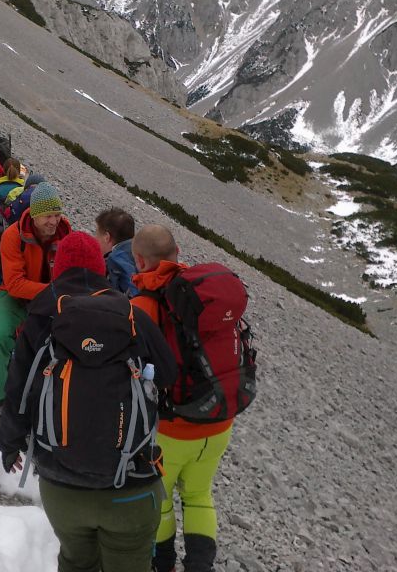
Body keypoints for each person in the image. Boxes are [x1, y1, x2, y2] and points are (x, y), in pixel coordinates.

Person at [0, 232, 177, 572]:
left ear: (58, 268)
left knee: (76, 560)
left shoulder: (42, 316)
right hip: (130, 486)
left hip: (61, 486)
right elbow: (168, 374)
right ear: (101, 269)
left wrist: (9, 443)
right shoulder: (131, 315)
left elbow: (18, 388)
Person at [130, 225, 234, 572]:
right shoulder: (203, 294)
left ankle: (164, 565)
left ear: (140, 260)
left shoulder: (145, 304)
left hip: (172, 429)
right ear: (177, 252)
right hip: (219, 420)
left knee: (159, 500)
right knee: (199, 495)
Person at [0, 181, 71, 439]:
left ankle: (43, 403)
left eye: (57, 214)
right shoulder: (13, 235)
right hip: (16, 297)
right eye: (48, 216)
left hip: (51, 298)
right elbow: (15, 284)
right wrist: (55, 292)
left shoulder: (66, 235)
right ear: (34, 214)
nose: (54, 221)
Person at [95, 207, 139, 296]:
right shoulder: (140, 255)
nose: (95, 239)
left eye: (97, 235)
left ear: (106, 237)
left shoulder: (112, 261)